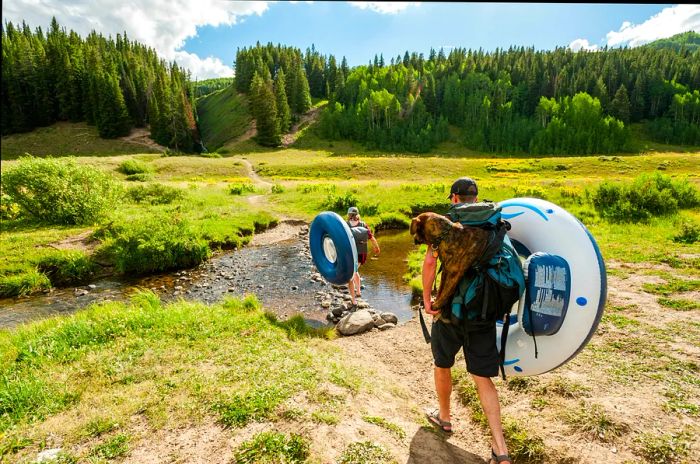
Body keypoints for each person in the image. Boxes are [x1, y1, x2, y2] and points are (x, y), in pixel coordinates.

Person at [422, 177, 512, 464]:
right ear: (476, 197)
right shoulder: (495, 222)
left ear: (454, 198)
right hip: (483, 311)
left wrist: (428, 298)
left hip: (450, 311)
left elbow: (430, 263)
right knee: (482, 377)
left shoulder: (448, 224)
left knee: (442, 363)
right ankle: (500, 447)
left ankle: (445, 418)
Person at [346, 206, 380, 306]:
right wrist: (376, 247)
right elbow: (371, 237)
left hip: (350, 254)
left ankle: (353, 300)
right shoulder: (363, 224)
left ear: (348, 215)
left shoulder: (346, 225)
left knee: (351, 277)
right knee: (356, 271)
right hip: (361, 254)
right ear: (357, 214)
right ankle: (359, 292)